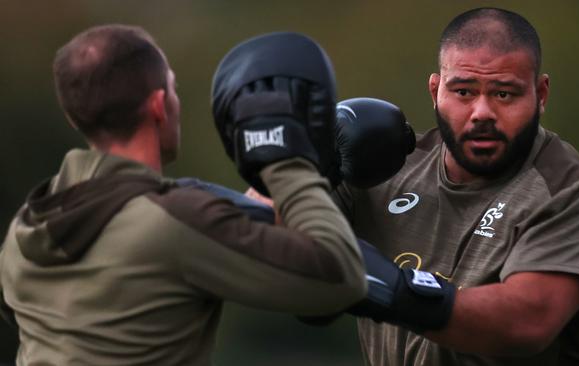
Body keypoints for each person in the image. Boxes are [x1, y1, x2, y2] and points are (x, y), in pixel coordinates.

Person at [0, 25, 368, 365]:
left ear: (73, 117)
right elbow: (339, 276)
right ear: (159, 105)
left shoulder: (26, 231)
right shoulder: (174, 223)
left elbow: (165, 229)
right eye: (172, 88)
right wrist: (286, 162)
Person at [329, 7, 579, 366]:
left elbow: (528, 320)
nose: (482, 112)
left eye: (504, 94)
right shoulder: (383, 170)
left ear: (540, 94)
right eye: (464, 91)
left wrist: (389, 288)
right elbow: (269, 241)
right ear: (435, 91)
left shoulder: (568, 191)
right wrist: (302, 163)